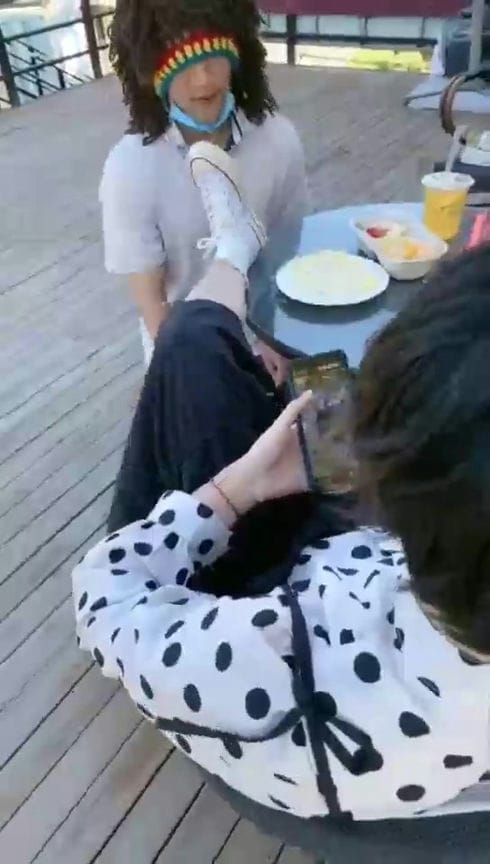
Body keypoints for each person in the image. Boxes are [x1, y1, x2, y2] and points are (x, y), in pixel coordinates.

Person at [73, 148, 490, 862]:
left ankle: (233, 253)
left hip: (296, 612)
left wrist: (236, 488)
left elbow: (105, 593)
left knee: (190, 346)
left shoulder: (278, 669)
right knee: (258, 380)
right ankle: (235, 266)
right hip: (374, 580)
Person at [100, 0, 307, 378]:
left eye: (213, 48)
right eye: (178, 54)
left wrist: (274, 340)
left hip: (268, 336)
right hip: (180, 347)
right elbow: (153, 306)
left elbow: (287, 257)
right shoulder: (129, 166)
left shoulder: (279, 140)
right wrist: (200, 371)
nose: (203, 79)